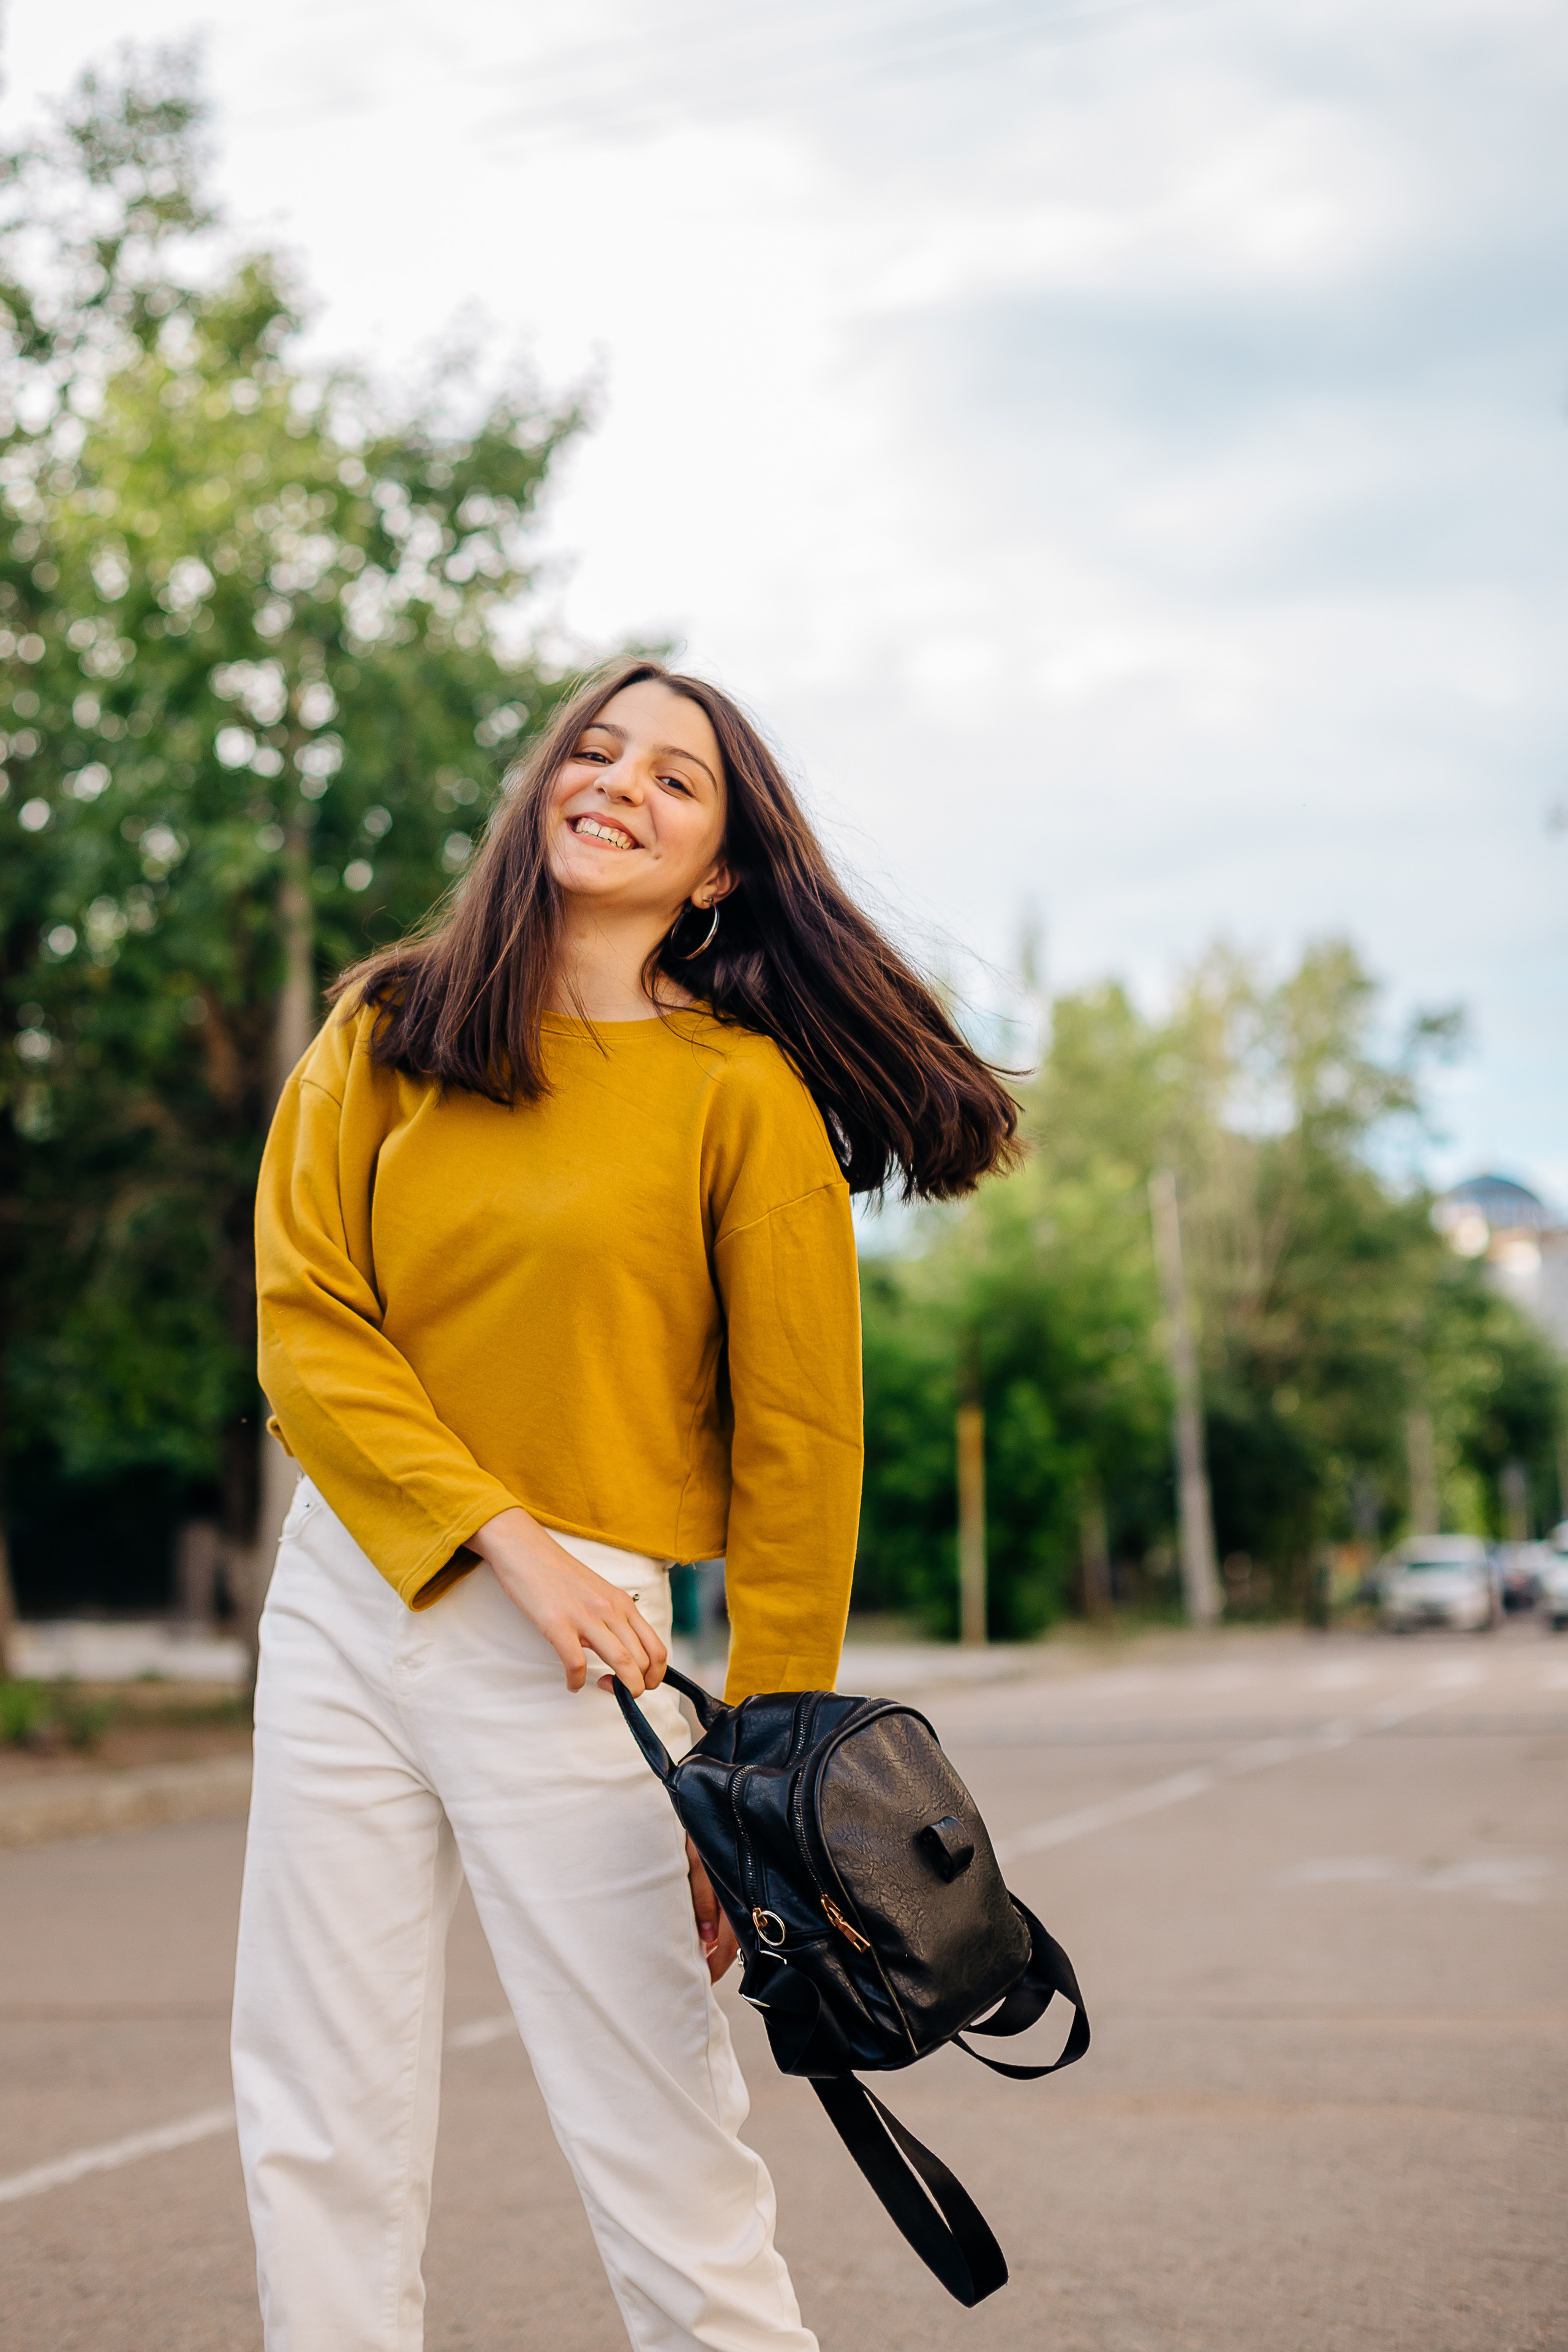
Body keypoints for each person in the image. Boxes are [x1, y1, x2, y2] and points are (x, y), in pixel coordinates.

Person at [232, 660, 1019, 2352]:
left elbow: (802, 1448)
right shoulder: (390, 1024)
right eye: (596, 751)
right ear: (542, 790)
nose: (620, 785)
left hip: (593, 1647)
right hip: (359, 1585)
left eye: (677, 781)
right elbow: (307, 1327)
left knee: (657, 2127)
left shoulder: (741, 1096)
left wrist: (771, 1773)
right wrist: (495, 1537)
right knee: (317, 2099)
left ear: (718, 870)